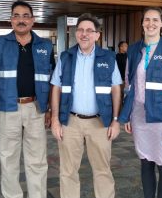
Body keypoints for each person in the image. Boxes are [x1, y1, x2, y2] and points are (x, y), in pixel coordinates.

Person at [0, 0, 55, 198]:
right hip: (8, 109)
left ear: (33, 21)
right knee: (8, 159)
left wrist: (50, 109)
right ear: (11, 20)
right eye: (16, 16)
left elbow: (52, 80)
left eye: (26, 16)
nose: (21, 20)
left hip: (36, 108)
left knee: (37, 160)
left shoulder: (45, 45)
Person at [51, 13, 122, 198]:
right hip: (70, 121)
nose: (84, 34)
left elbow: (116, 89)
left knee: (102, 171)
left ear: (97, 35)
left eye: (89, 30)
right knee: (68, 171)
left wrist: (116, 121)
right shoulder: (65, 57)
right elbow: (56, 88)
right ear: (76, 33)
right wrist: (55, 120)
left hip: (100, 123)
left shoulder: (108, 57)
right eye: (80, 30)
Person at [118, 7, 162, 198]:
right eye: (147, 20)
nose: (151, 24)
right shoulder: (133, 49)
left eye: (155, 20)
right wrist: (128, 113)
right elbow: (129, 84)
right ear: (142, 24)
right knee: (145, 161)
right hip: (139, 114)